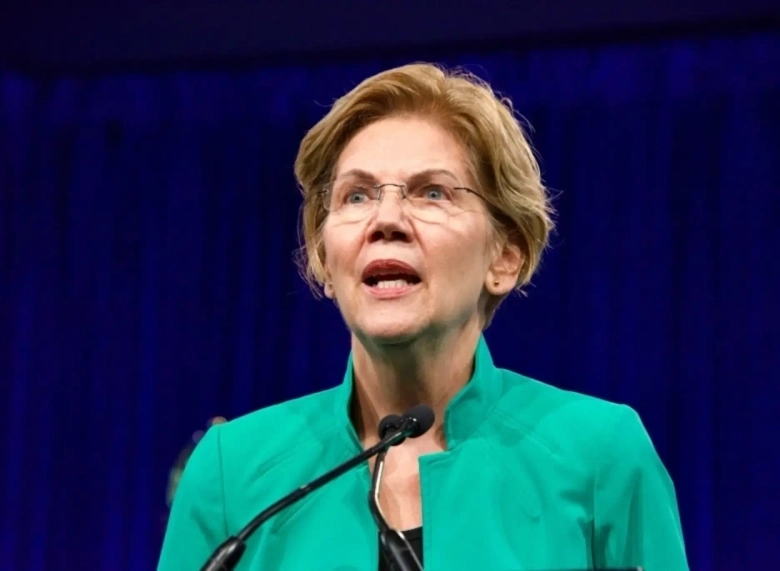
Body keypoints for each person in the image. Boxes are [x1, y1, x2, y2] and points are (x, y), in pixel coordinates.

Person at [158, 63, 689, 570]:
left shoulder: (600, 457)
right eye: (356, 196)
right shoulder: (231, 473)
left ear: (505, 257)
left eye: (432, 193)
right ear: (323, 258)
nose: (386, 219)